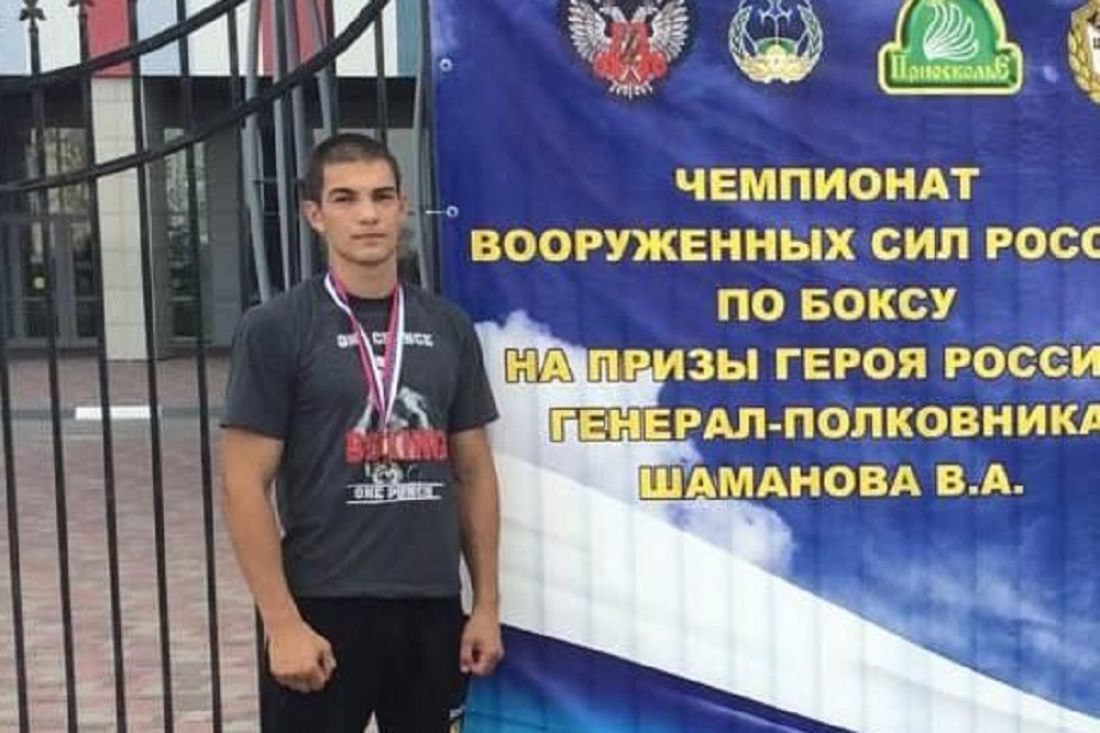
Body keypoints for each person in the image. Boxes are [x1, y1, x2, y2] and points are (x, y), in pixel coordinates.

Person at [220, 132, 504, 732]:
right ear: (314, 215)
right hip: (322, 609)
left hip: (429, 610)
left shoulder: (448, 327)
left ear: (403, 206)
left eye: (382, 196)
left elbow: (474, 472)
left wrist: (485, 605)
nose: (368, 215)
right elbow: (244, 485)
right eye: (345, 199)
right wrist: (282, 623)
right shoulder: (276, 328)